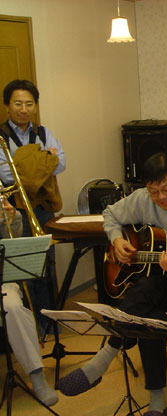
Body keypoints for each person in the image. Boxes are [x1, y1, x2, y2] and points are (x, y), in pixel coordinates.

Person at [58, 152, 167, 416]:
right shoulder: (143, 199)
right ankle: (157, 403)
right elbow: (110, 214)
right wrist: (117, 240)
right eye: (153, 191)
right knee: (147, 315)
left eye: (166, 188)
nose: (161, 197)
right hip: (154, 282)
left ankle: (104, 358)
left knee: (143, 291)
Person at [1, 79, 66, 335]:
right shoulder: (1, 136)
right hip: (14, 211)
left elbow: (61, 163)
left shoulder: (43, 132)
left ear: (35, 106)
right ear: (7, 105)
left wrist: (24, 166)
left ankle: (50, 321)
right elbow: (6, 175)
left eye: (29, 104)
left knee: (48, 264)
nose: (23, 109)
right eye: (18, 103)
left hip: (43, 207)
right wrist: (43, 160)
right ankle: (30, 325)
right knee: (24, 267)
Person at [0, 197, 58, 406]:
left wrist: (13, 218)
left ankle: (37, 376)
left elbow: (12, 242)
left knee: (13, 307)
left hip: (2, 280)